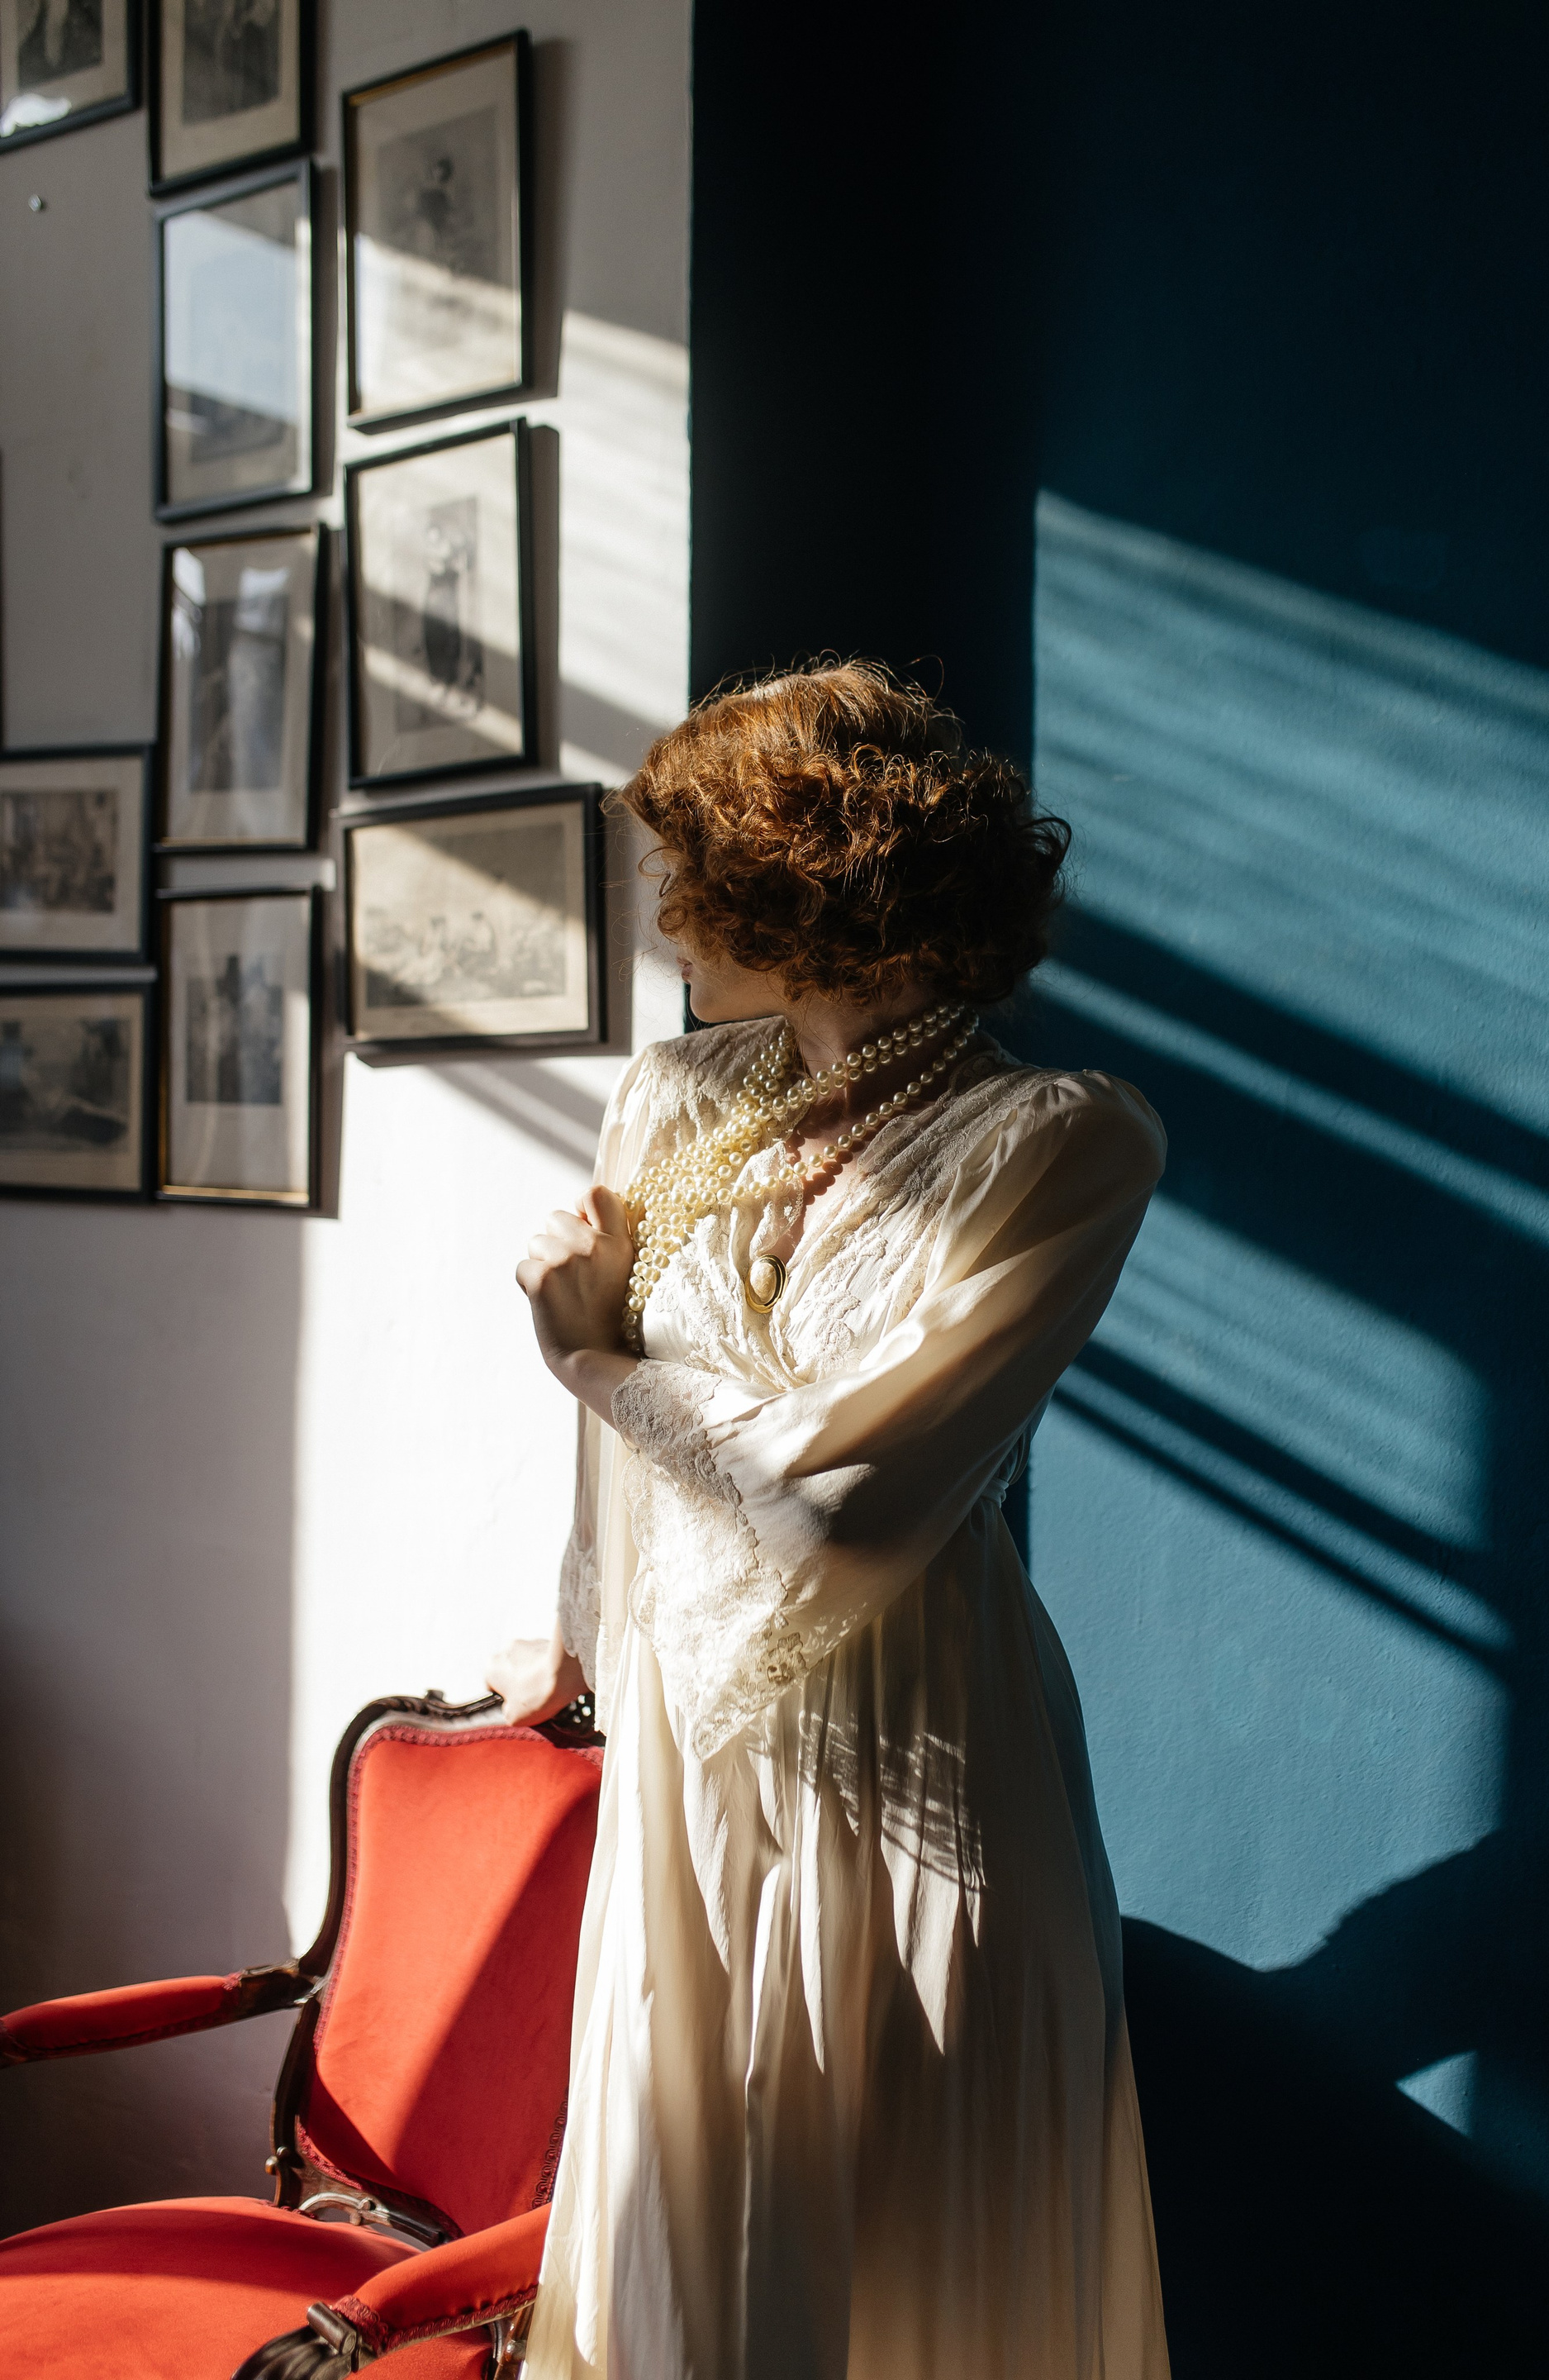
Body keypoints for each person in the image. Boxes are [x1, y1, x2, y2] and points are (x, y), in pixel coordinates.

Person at [487, 662, 1171, 2380]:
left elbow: (843, 1509)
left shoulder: (1062, 1144)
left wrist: (587, 1357)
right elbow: (630, 1464)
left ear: (809, 883)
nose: (664, 920)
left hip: (924, 1730)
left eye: (693, 873)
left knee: (910, 2225)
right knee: (684, 2221)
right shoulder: (673, 1097)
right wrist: (576, 1625)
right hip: (683, 1737)